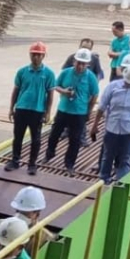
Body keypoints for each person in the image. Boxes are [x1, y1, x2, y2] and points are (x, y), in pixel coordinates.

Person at [44, 48, 99, 176]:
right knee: (54, 134)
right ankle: (49, 154)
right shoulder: (66, 72)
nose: (80, 66)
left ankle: (69, 164)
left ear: (87, 64)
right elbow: (56, 85)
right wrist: (64, 92)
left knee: (75, 140)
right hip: (63, 110)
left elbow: (95, 95)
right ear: (74, 61)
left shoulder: (90, 77)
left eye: (83, 64)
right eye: (78, 63)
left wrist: (88, 112)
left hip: (79, 113)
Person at [92, 64, 130, 184]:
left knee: (125, 160)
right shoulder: (113, 86)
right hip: (112, 129)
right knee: (107, 157)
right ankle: (103, 180)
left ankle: (121, 184)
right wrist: (95, 125)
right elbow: (101, 107)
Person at [6, 41, 55, 173]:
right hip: (21, 109)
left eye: (39, 55)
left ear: (43, 56)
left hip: (37, 111)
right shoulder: (22, 72)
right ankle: (15, 161)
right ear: (30, 55)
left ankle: (32, 164)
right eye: (33, 54)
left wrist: (48, 112)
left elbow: (50, 94)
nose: (36, 57)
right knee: (18, 137)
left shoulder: (49, 74)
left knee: (36, 139)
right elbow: (16, 90)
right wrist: (11, 108)